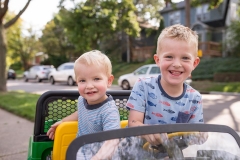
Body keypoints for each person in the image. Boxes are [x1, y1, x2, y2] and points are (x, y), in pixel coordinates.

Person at [127, 24, 206, 146]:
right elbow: (133, 123)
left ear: (194, 63)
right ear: (157, 60)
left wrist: (202, 135)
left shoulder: (194, 98)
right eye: (169, 57)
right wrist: (147, 132)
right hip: (139, 153)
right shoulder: (143, 86)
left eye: (185, 58)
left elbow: (196, 136)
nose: (177, 64)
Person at [46, 50, 120, 159]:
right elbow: (79, 113)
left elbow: (112, 141)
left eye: (96, 79)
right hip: (82, 151)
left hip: (102, 156)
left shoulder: (109, 111)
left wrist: (97, 157)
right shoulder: (82, 100)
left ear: (109, 81)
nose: (89, 86)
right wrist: (62, 121)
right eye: (82, 80)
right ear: (77, 82)